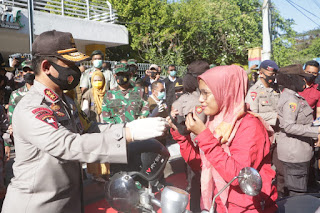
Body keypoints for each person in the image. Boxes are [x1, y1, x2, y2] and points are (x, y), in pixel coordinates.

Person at [1, 30, 167, 213]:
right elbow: (67, 145)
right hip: (36, 206)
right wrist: (128, 134)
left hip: (68, 201)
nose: (76, 68)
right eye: (69, 63)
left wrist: (127, 127)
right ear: (47, 66)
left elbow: (89, 129)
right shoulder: (32, 107)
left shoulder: (66, 102)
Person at [168, 65, 277, 212]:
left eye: (206, 93)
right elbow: (201, 164)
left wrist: (204, 136)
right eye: (200, 93)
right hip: (220, 204)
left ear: (226, 93)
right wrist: (181, 137)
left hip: (247, 208)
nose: (201, 99)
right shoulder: (216, 122)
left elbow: (238, 176)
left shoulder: (250, 126)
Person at [171, 59, 209, 213]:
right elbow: (195, 127)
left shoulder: (184, 98)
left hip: (192, 149)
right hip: (200, 149)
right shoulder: (197, 100)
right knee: (201, 187)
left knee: (195, 185)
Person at [276, 72, 320, 196]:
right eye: (302, 78)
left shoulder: (294, 97)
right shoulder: (291, 100)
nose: (305, 81)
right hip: (295, 153)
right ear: (293, 79)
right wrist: (316, 131)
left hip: (299, 150)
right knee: (297, 194)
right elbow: (289, 126)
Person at [8, 60, 35, 124]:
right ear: (22, 73)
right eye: (25, 71)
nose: (28, 73)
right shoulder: (16, 94)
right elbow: (11, 115)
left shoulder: (44, 92)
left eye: (31, 70)